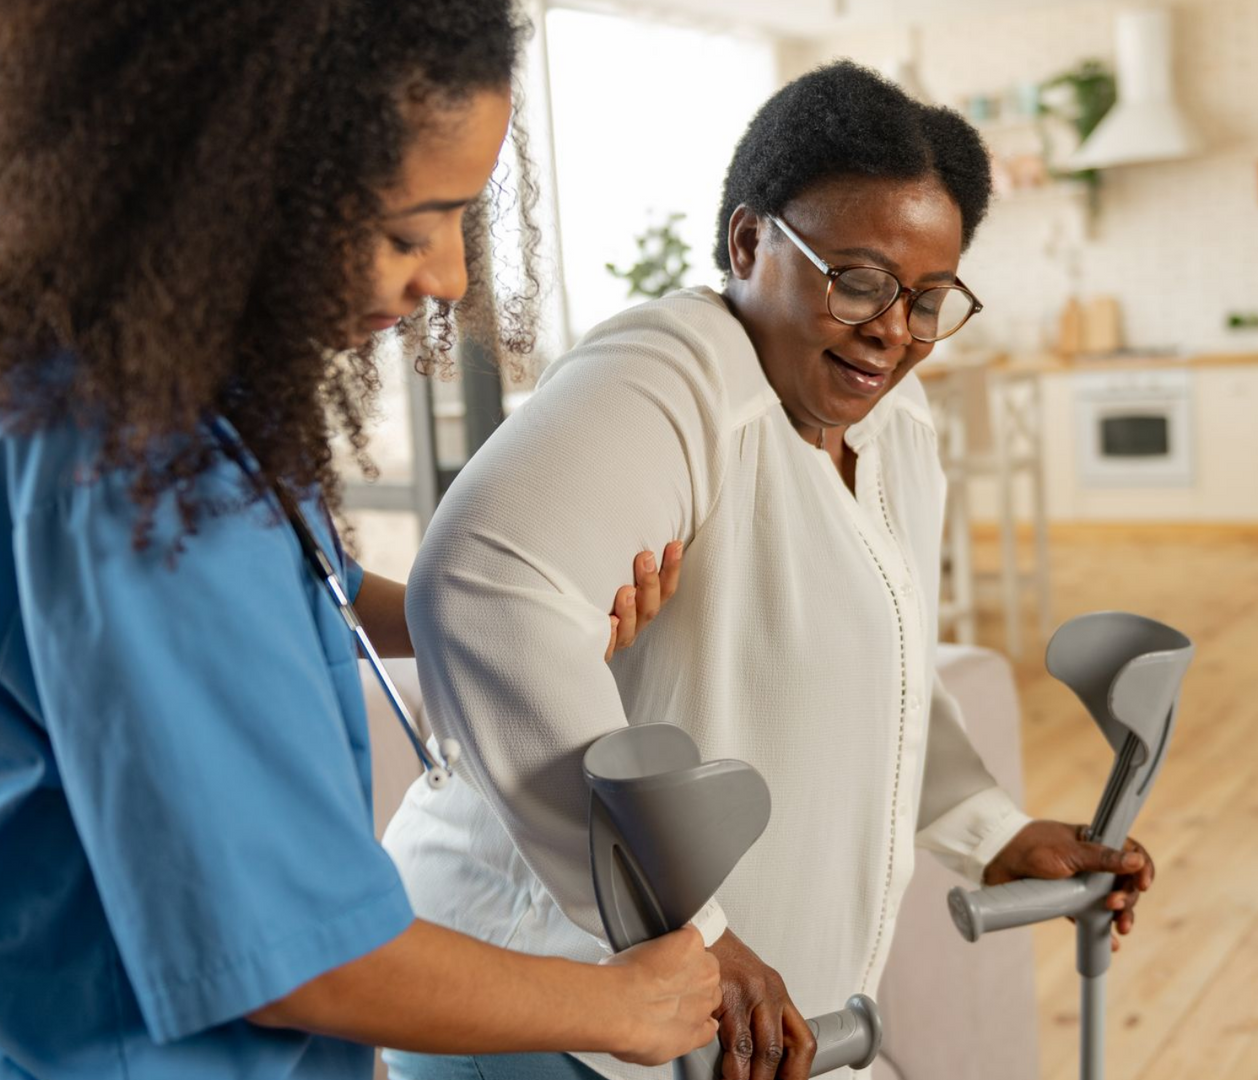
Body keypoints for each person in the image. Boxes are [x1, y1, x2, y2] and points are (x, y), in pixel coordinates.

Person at [0, 2, 717, 1076]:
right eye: (409, 230)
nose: (447, 276)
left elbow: (307, 585)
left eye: (463, 222)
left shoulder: (181, 408)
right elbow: (298, 963)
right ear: (239, 182)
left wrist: (497, 613)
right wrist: (621, 1007)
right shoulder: (133, 479)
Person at [383, 62, 1157, 1080]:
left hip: (713, 1035)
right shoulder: (671, 373)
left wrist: (991, 832)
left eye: (928, 299)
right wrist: (690, 930)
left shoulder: (893, 425)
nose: (892, 328)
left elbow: (880, 676)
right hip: (549, 1005)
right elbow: (483, 592)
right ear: (751, 242)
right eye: (860, 278)